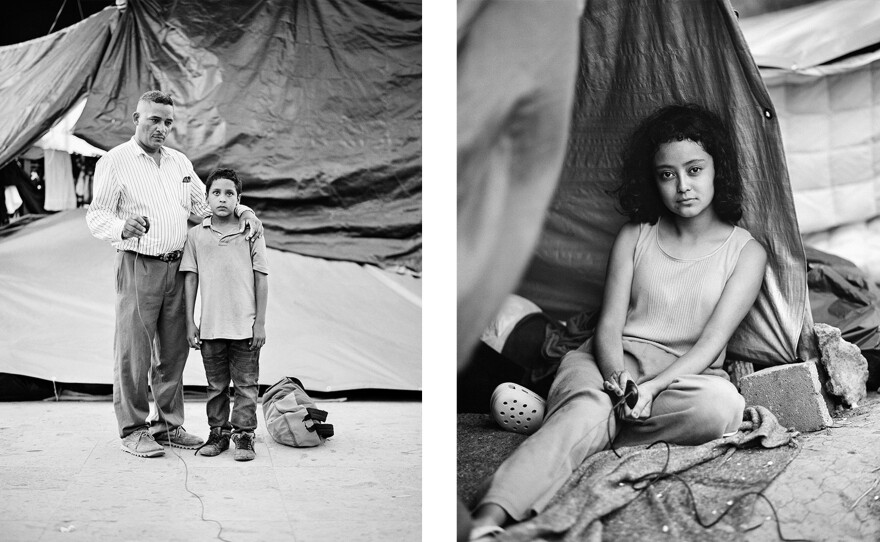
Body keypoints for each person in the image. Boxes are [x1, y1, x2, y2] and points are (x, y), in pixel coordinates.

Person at [468, 103, 768, 539]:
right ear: (653, 179)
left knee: (723, 408)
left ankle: (564, 425)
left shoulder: (747, 252)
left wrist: (650, 389)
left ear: (717, 169)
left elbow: (711, 343)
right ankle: (488, 520)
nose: (683, 186)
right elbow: (608, 326)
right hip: (609, 363)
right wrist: (620, 381)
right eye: (667, 174)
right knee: (592, 405)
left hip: (685, 376)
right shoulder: (635, 235)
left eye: (695, 169)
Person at [86, 90, 263, 458]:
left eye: (168, 122)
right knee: (133, 352)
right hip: (138, 264)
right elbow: (96, 215)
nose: (162, 128)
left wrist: (243, 211)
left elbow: (206, 205)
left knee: (174, 351)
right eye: (154, 119)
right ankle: (133, 429)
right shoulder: (115, 161)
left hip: (179, 266)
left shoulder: (180, 163)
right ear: (136, 119)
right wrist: (122, 226)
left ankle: (167, 425)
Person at [181, 168, 269, 462]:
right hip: (211, 328)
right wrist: (189, 322)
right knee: (216, 385)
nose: (222, 198)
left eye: (229, 193)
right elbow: (190, 280)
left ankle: (244, 436)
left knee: (246, 385)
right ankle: (218, 433)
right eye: (216, 193)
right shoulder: (196, 235)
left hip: (245, 327)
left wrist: (260, 323)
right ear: (206, 198)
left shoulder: (251, 231)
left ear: (238, 199)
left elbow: (261, 278)